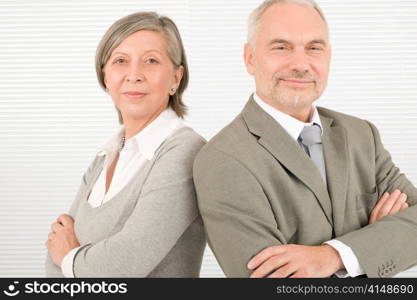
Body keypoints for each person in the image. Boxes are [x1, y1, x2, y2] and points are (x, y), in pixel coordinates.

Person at [193, 0, 417, 278]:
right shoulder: (223, 160)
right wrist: (378, 242)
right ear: (250, 58)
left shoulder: (362, 136)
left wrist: (335, 256)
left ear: (328, 57)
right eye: (281, 47)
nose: (300, 64)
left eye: (314, 48)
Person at [44, 12, 206, 277]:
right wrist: (69, 259)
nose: (134, 75)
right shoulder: (104, 157)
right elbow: (54, 256)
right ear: (106, 77)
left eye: (151, 61)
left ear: (176, 78)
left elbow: (124, 264)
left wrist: (69, 257)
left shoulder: (185, 152)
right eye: (120, 61)